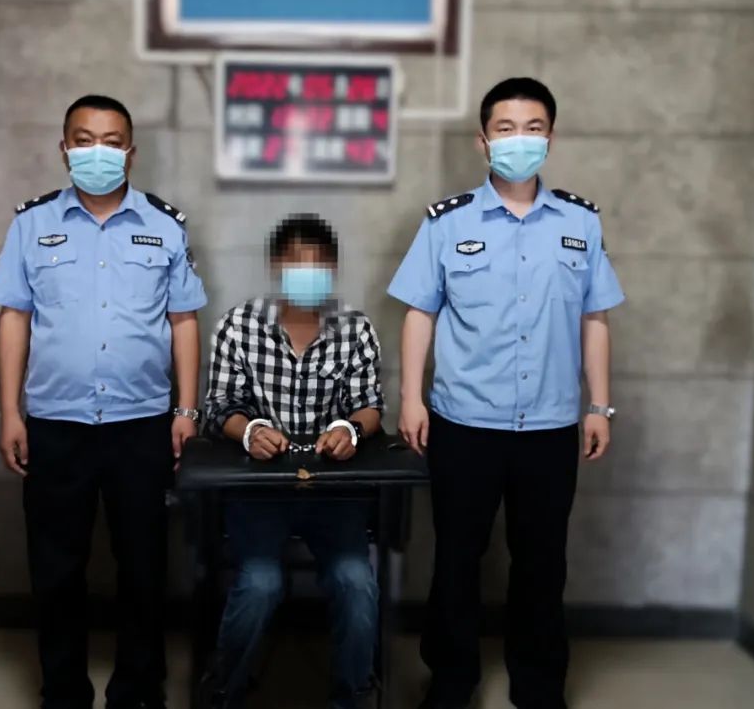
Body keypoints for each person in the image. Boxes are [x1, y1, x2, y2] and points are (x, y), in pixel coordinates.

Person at [388, 78, 625, 709]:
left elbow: (595, 318)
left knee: (542, 563)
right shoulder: (447, 222)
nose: (520, 140)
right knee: (457, 560)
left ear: (551, 137)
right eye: (506, 128)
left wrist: (598, 405)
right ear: (483, 139)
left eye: (533, 128)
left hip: (549, 425)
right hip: (464, 422)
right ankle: (451, 681)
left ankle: (539, 685)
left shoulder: (580, 222)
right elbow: (419, 312)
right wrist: (410, 398)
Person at [0, 94, 207, 709]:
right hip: (57, 424)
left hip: (143, 425)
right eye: (84, 141)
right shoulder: (31, 225)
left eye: (111, 142)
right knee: (56, 569)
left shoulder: (165, 225)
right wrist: (10, 412)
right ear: (64, 150)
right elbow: (13, 318)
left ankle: (138, 690)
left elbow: (184, 321)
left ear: (130, 152)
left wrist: (186, 411)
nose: (97, 152)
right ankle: (63, 691)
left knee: (143, 567)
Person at [200, 214, 384, 709]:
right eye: (297, 263)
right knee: (260, 582)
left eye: (319, 264)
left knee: (355, 581)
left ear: (333, 269)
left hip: (333, 491)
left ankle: (353, 696)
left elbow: (370, 405)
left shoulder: (355, 329)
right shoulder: (239, 326)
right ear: (276, 267)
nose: (308, 274)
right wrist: (250, 431)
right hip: (260, 490)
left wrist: (350, 430)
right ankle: (224, 690)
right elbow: (219, 406)